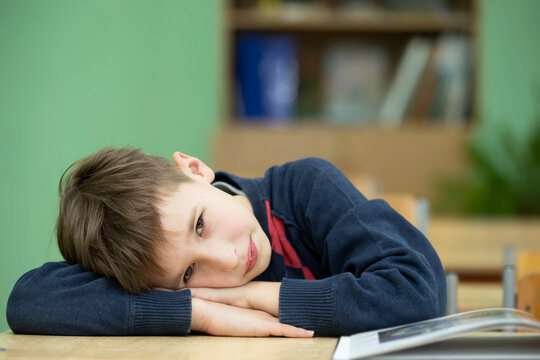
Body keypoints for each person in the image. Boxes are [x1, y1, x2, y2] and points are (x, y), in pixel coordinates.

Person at [7, 147, 446, 337]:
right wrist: (197, 311)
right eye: (190, 273)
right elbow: (28, 300)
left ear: (196, 169)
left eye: (199, 225)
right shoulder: (164, 281)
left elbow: (417, 291)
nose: (230, 259)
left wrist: (253, 297)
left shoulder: (305, 188)